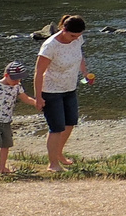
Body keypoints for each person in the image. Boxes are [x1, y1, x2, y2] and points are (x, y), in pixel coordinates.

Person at [33, 14, 92, 172]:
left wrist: (84, 73)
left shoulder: (77, 39)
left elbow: (78, 56)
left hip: (69, 88)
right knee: (56, 127)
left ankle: (59, 154)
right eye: (72, 35)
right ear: (63, 29)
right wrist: (38, 97)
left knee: (70, 123)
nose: (75, 38)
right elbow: (38, 73)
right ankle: (52, 164)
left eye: (78, 36)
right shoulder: (50, 46)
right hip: (51, 91)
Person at [0, 61, 38, 174]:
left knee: (6, 144)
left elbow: (25, 98)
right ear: (6, 75)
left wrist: (36, 102)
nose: (16, 81)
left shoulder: (17, 87)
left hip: (6, 120)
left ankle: (2, 167)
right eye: (14, 79)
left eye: (19, 79)